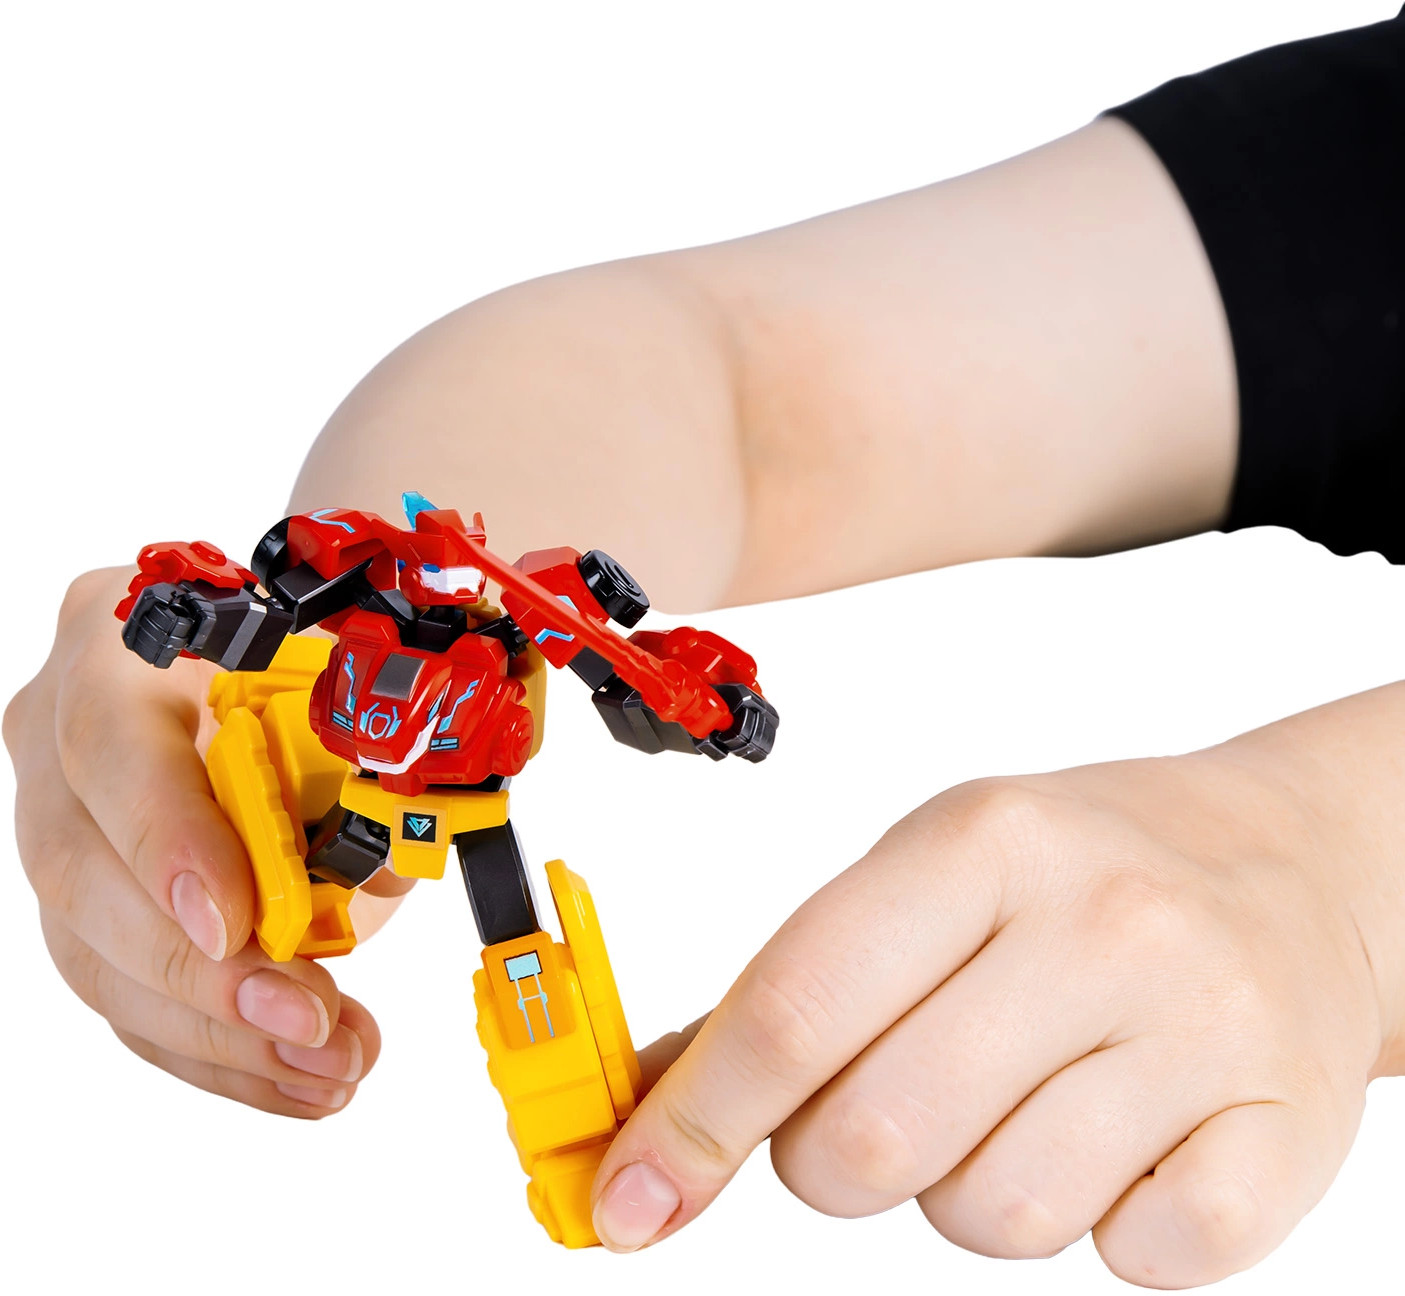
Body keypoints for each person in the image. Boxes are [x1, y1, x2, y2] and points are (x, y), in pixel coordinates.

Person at [5, 10, 1401, 1288]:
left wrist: (1337, 869)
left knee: (516, 932)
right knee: (364, 860)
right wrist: (300, 652)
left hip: (465, 789)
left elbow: (610, 627)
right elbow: (739, 384)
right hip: (385, 764)